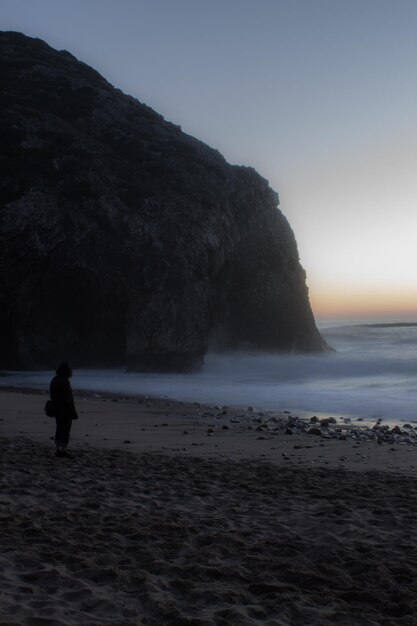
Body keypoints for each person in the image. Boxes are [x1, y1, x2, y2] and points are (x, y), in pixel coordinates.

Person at [50, 361, 78, 457]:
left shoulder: (55, 379)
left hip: (57, 408)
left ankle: (58, 449)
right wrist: (72, 409)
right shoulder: (65, 381)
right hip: (65, 409)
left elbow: (52, 394)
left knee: (59, 428)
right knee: (66, 430)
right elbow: (68, 397)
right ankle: (63, 450)